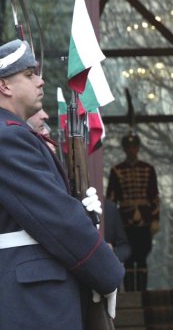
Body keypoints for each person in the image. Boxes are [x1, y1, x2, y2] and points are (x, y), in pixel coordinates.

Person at [0, 39, 123, 329]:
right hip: (34, 303)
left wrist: (78, 208)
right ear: (4, 86)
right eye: (29, 75)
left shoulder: (13, 134)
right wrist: (108, 273)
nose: (40, 81)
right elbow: (57, 220)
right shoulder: (8, 137)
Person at [106, 132, 160, 291]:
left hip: (144, 219)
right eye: (128, 147)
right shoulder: (117, 170)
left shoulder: (148, 169)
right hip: (124, 220)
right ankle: (130, 293)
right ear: (124, 149)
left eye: (134, 147)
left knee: (142, 255)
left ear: (138, 148)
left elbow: (154, 196)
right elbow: (111, 199)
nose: (131, 150)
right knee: (128, 258)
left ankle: (142, 292)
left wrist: (155, 219)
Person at [104, 198, 132, 263]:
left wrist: (111, 252)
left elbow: (124, 248)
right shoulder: (79, 208)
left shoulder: (110, 208)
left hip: (106, 264)